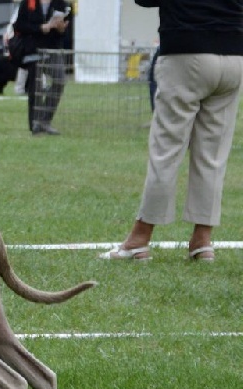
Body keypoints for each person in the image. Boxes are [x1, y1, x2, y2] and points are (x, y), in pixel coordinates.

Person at [100, 0, 243, 262]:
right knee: (213, 155)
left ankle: (139, 239)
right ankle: (202, 241)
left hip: (185, 51)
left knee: (166, 150)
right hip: (233, 51)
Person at [13, 0, 70, 135]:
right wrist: (40, 28)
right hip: (33, 49)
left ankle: (45, 120)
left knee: (60, 80)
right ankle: (35, 124)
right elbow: (19, 25)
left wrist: (61, 29)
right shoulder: (28, 2)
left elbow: (63, 34)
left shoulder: (61, 3)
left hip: (52, 49)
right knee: (36, 86)